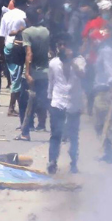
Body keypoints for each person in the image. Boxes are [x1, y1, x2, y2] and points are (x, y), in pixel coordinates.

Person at [47, 35, 85, 174]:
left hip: (73, 104)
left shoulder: (79, 61)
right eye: (60, 44)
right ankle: (52, 161)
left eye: (65, 44)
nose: (62, 47)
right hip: (57, 102)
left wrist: (72, 63)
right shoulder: (53, 63)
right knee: (56, 134)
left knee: (73, 136)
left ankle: (74, 163)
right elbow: (51, 82)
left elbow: (82, 75)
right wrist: (49, 100)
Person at [93, 30, 112, 162]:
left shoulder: (106, 51)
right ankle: (109, 151)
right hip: (101, 89)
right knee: (101, 123)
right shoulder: (104, 50)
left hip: (105, 91)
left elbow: (110, 72)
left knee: (108, 123)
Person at [18, 8, 50, 136]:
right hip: (45, 71)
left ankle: (27, 126)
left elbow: (29, 53)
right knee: (42, 98)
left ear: (27, 19)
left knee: (24, 100)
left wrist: (27, 73)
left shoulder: (27, 32)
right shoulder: (46, 31)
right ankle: (41, 124)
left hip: (33, 71)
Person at [0, 0, 28, 116]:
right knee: (17, 78)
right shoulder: (24, 15)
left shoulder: (6, 15)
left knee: (14, 76)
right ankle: (11, 108)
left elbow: (1, 36)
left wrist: (0, 52)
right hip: (18, 46)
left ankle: (18, 105)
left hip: (7, 46)